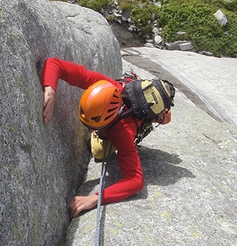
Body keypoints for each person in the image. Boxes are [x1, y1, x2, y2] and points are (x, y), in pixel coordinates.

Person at [42, 57, 172, 218]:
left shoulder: (122, 132)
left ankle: (159, 113)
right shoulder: (103, 85)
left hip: (127, 124)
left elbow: (135, 180)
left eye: (94, 126)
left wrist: (95, 198)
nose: (89, 130)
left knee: (99, 152)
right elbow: (55, 63)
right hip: (122, 103)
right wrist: (50, 89)